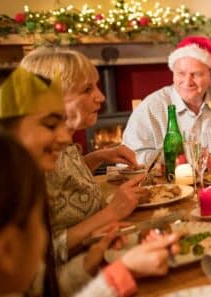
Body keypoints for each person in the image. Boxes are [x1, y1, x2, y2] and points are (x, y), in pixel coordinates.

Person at [0, 71, 178, 297]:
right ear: (6, 249)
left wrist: (89, 261)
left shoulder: (19, 192)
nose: (66, 138)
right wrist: (121, 273)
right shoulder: (11, 207)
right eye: (51, 125)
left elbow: (46, 289)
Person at [19, 48, 141, 265]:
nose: (101, 97)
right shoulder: (26, 162)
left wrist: (101, 156)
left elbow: (64, 176)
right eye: (87, 89)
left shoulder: (59, 143)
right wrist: (111, 212)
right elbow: (40, 257)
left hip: (102, 249)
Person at [123, 36, 211, 163]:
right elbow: (130, 157)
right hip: (167, 185)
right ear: (173, 74)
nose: (188, 82)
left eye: (197, 74)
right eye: (181, 73)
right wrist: (184, 160)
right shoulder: (152, 107)